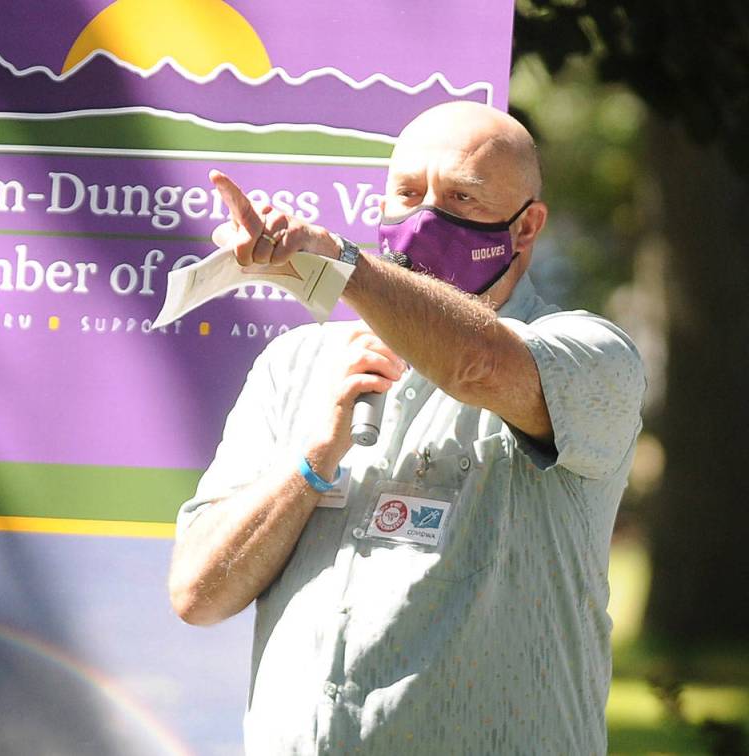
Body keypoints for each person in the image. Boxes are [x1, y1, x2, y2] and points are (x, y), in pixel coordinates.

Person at [168, 101, 645, 754]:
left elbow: (477, 363)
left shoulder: (590, 354)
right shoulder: (297, 363)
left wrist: (345, 268)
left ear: (527, 227)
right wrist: (310, 458)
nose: (424, 218)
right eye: (407, 193)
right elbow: (199, 593)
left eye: (460, 197)